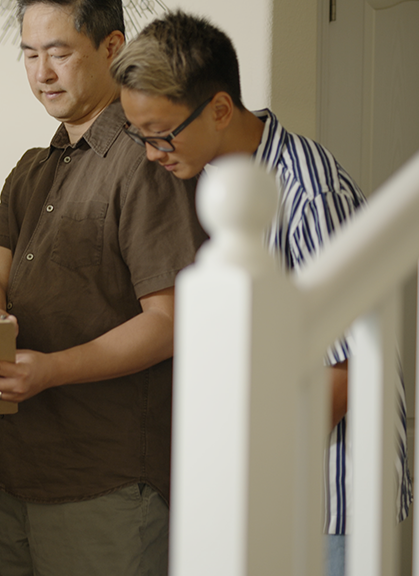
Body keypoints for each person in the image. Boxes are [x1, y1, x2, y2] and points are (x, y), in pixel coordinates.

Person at [109, 11, 412, 575]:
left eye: (161, 135)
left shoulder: (307, 191)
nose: (151, 152)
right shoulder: (212, 180)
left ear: (220, 109)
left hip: (330, 504)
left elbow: (347, 370)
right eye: (139, 135)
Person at [0, 0, 206, 573]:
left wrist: (50, 369)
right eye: (29, 54)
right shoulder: (31, 169)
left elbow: (170, 320)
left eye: (60, 53)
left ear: (113, 48)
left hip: (107, 479)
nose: (42, 73)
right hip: (20, 473)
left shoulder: (148, 160)